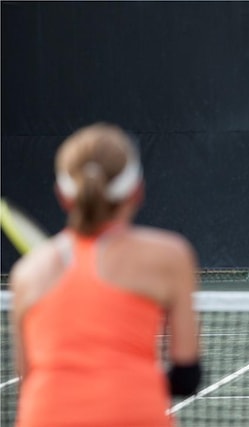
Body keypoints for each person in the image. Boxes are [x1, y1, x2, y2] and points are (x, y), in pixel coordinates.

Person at [9, 122, 201, 427]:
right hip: (134, 414)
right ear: (137, 190)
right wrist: (127, 382)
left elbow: (29, 380)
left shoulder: (26, 274)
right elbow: (187, 376)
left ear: (62, 195)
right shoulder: (170, 256)